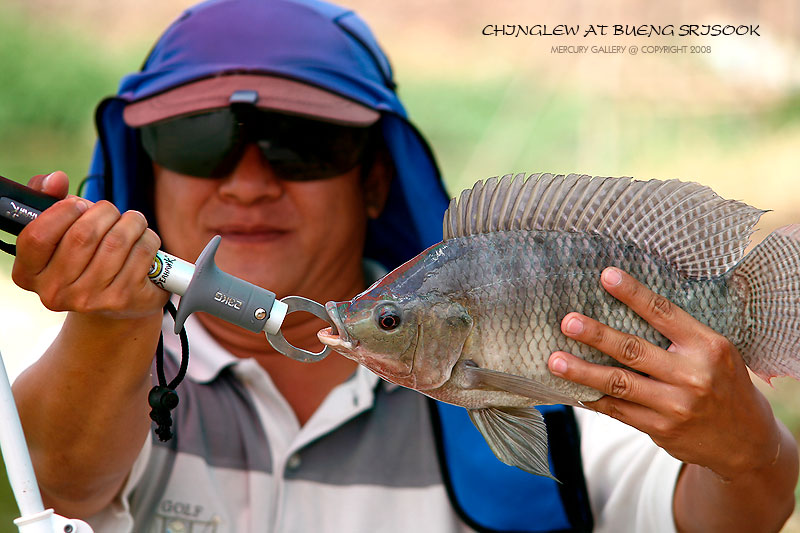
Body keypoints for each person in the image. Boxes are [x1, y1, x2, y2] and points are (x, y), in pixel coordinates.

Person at [9, 0, 797, 532]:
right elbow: (61, 491)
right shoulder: (107, 371)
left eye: (302, 142)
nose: (248, 181)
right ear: (144, 168)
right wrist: (111, 322)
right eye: (195, 140)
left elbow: (725, 512)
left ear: (375, 177)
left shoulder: (566, 405)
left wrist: (749, 449)